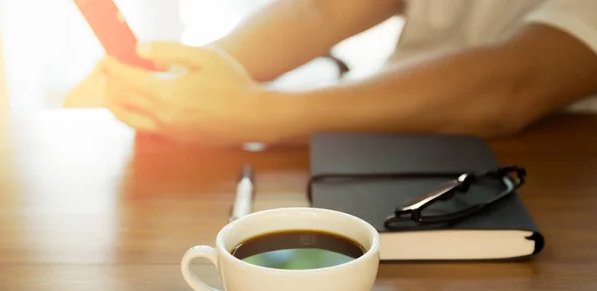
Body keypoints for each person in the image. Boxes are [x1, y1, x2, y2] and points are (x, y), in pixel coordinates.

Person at [65, 0, 597, 145]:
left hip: (554, 158)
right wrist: (181, 83)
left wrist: (258, 115)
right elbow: (322, 11)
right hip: (389, 137)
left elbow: (513, 85)